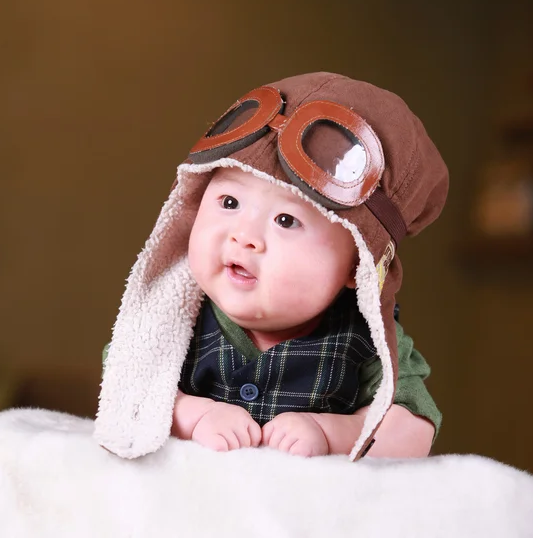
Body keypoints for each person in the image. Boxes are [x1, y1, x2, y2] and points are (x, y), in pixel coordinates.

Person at [95, 72, 449, 462]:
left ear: (358, 265)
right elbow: (127, 388)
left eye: (286, 220)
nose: (244, 236)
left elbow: (414, 430)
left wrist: (334, 433)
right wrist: (194, 415)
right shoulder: (174, 318)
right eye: (229, 202)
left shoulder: (366, 341)